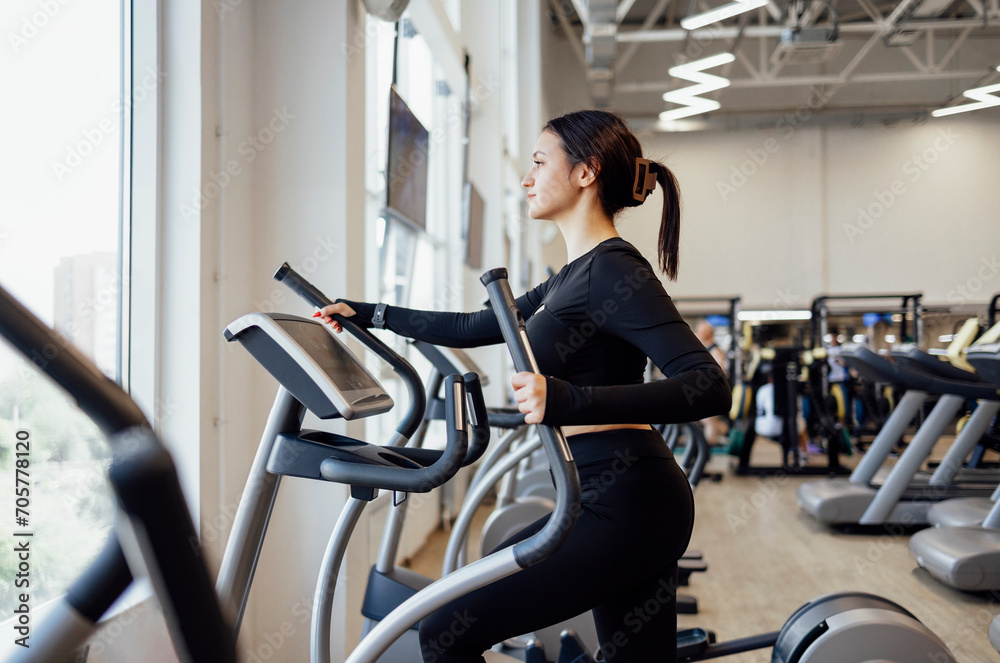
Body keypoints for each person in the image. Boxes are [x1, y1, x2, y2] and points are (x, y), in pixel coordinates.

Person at [315, 110, 731, 663]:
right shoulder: (572, 275)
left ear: (586, 172)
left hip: (627, 500)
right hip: (609, 493)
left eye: (538, 162)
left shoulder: (614, 269)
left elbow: (707, 386)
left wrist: (565, 399)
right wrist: (371, 314)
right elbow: (476, 324)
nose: (526, 178)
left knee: (445, 630)